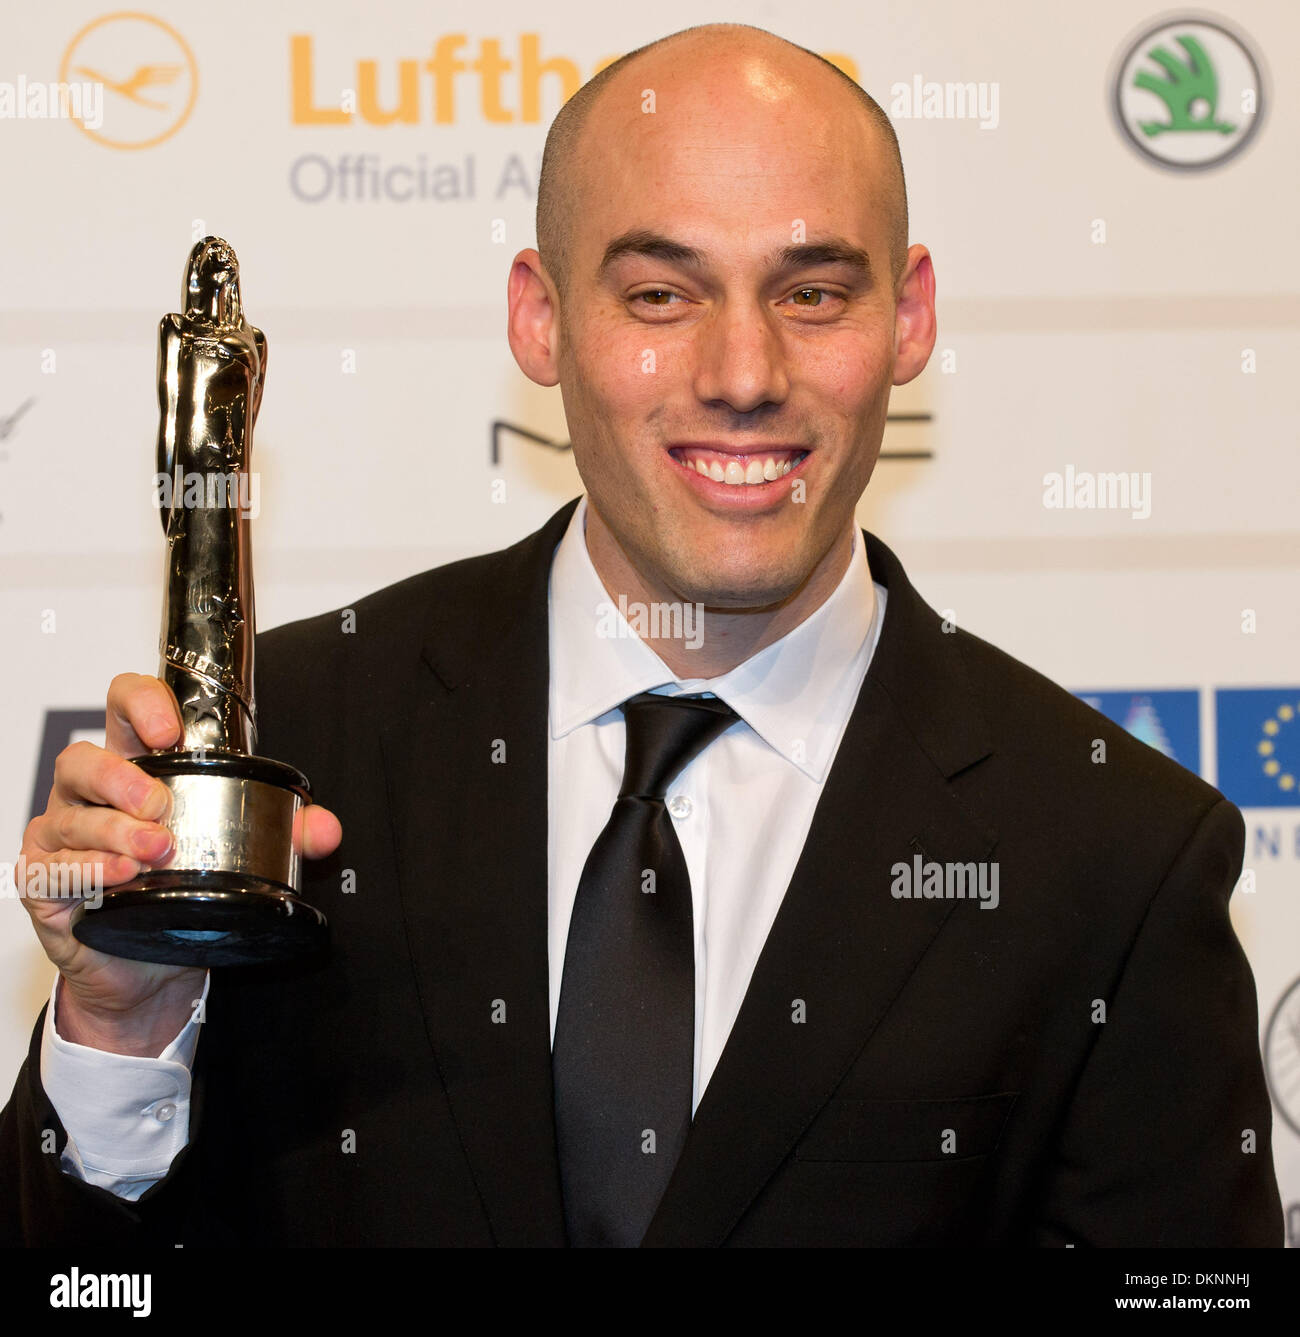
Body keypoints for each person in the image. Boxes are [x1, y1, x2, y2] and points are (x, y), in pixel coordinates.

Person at [1, 22, 1282, 1247]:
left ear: (909, 318)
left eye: (815, 290)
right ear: (542, 319)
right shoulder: (296, 746)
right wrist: (124, 1024)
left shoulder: (1113, 857)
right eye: (662, 293)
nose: (741, 369)